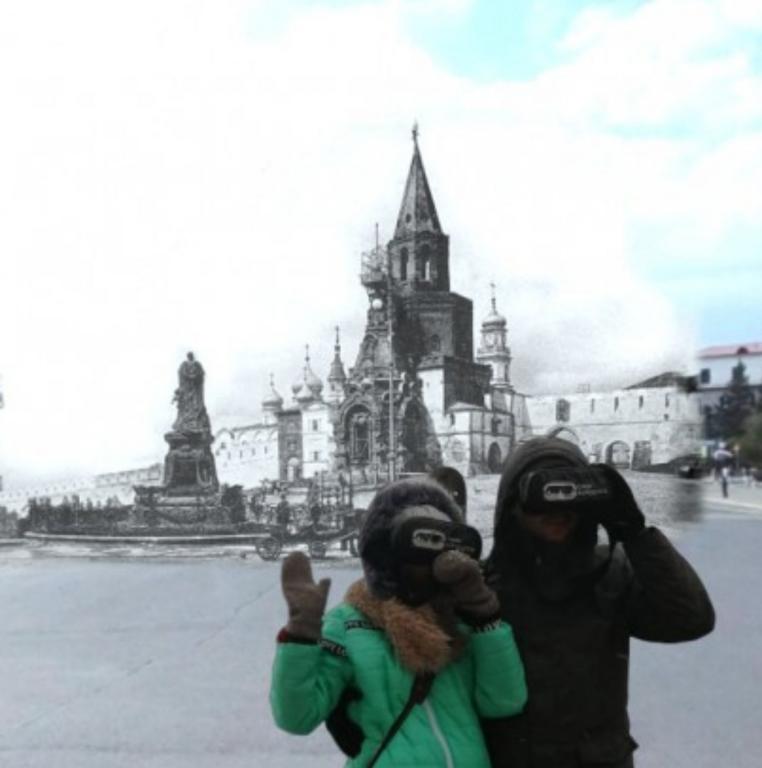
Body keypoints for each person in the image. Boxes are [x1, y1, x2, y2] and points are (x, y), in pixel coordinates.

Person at [481, 437, 715, 768]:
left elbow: (690, 619)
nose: (557, 509)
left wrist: (634, 532)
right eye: (542, 493)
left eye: (571, 492)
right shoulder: (484, 586)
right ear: (512, 504)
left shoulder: (611, 572)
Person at [270, 478, 528, 767]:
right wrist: (301, 635)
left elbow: (504, 702)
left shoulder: (459, 622)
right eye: (423, 544)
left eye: (444, 548)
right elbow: (296, 717)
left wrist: (485, 616)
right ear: (388, 553)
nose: (433, 562)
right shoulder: (351, 624)